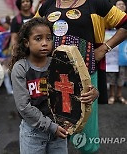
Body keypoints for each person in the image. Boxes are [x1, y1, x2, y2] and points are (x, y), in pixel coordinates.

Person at [35, 0, 127, 153]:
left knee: (85, 129)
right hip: (53, 77)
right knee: (55, 126)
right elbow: (31, 31)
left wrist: (104, 48)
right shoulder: (47, 5)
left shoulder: (96, 3)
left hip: (85, 75)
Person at [10, 17, 99, 154]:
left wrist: (93, 93)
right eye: (38, 39)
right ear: (26, 43)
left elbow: (78, 88)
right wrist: (51, 127)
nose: (45, 43)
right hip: (33, 133)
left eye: (49, 38)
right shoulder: (21, 68)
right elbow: (23, 107)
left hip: (59, 131)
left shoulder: (59, 64)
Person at [107, 0, 127, 105]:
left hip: (124, 55)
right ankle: (111, 95)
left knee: (122, 75)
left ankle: (119, 95)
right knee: (111, 76)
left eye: (123, 4)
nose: (121, 6)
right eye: (119, 4)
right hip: (112, 56)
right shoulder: (110, 22)